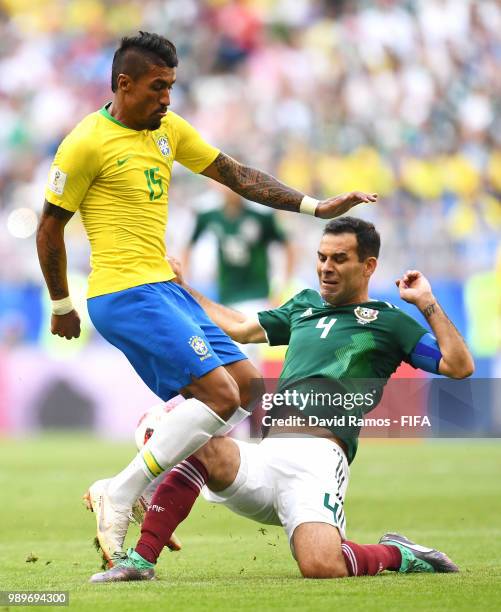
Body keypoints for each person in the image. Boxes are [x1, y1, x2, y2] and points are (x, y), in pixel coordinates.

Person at [35, 31, 377, 567]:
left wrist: (316, 207)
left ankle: (153, 439)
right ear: (124, 85)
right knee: (218, 395)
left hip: (165, 288)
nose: (167, 98)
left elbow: (236, 175)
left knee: (246, 385)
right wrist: (61, 303)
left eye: (171, 86)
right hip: (123, 292)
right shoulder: (84, 144)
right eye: (157, 87)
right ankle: (120, 492)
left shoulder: (166, 129)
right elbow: (49, 229)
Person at [89, 217, 474, 582]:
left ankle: (399, 553)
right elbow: (238, 328)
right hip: (266, 454)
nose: (326, 267)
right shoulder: (304, 304)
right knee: (203, 446)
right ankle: (140, 561)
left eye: (339, 259)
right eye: (322, 257)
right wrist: (181, 287)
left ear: (368, 265)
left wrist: (425, 302)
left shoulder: (388, 321)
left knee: (322, 566)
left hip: (319, 459)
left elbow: (458, 365)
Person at [182, 189, 294, 309]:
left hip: (258, 296)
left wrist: (283, 286)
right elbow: (187, 246)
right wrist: (185, 284)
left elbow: (289, 247)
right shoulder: (208, 213)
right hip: (226, 296)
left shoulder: (261, 213)